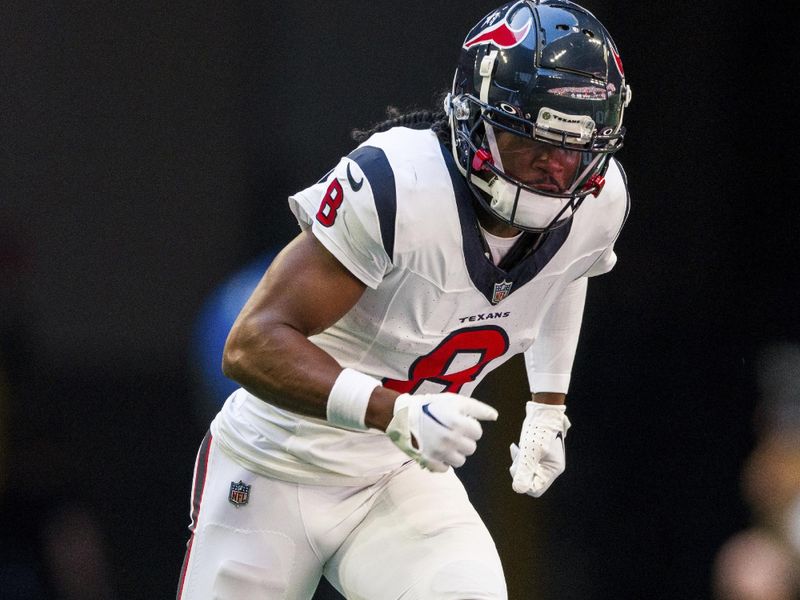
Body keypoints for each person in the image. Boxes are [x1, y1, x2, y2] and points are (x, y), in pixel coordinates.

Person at [176, 1, 632, 598]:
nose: (553, 170)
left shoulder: (599, 205)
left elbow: (566, 275)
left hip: (398, 470)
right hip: (276, 464)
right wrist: (395, 410)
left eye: (571, 149)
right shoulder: (400, 186)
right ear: (477, 122)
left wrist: (548, 406)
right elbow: (250, 344)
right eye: (531, 143)